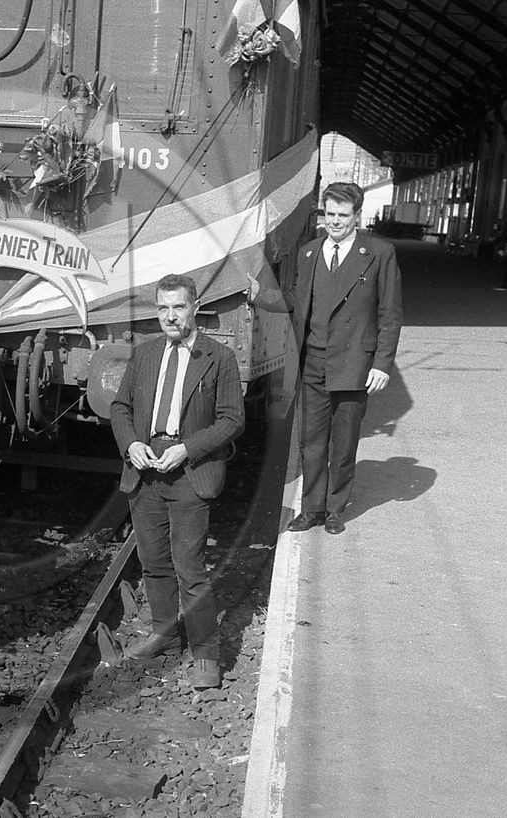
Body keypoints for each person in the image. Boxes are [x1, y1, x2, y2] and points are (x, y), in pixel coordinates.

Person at [109, 274, 245, 690]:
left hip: (189, 472)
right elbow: (120, 406)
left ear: (195, 307)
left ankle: (206, 654)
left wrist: (187, 449)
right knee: (153, 563)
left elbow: (232, 420)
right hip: (146, 469)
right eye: (163, 308)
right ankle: (165, 635)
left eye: (178, 307)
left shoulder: (218, 357)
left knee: (189, 566)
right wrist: (131, 444)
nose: (170, 316)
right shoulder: (146, 353)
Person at [251, 181, 403, 535]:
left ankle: (336, 509)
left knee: (344, 442)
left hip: (355, 364)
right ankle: (311, 509)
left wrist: (382, 364)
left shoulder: (379, 254)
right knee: (311, 443)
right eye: (329, 214)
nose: (335, 221)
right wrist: (264, 295)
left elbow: (390, 314)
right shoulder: (309, 253)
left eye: (342, 215)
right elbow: (295, 300)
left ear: (357, 216)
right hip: (313, 363)